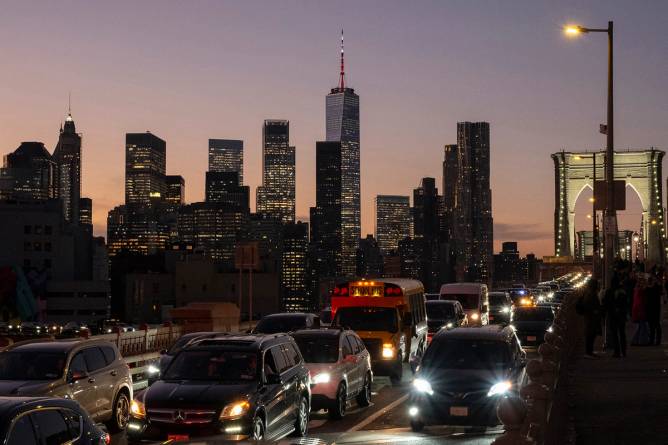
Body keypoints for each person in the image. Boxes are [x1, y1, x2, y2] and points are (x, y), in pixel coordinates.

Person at [603, 274, 627, 358]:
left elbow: (606, 303)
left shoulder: (609, 292)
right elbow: (625, 304)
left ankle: (617, 351)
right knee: (622, 333)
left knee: (615, 334)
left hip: (613, 316)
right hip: (621, 316)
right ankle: (623, 351)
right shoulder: (623, 292)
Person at [578, 278, 602, 358]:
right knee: (590, 335)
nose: (599, 286)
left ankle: (590, 352)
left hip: (591, 318)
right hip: (591, 318)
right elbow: (589, 305)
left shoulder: (590, 293)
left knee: (592, 334)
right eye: (597, 284)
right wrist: (595, 311)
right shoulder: (590, 294)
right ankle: (588, 352)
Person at [631, 275, 649, 346]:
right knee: (642, 326)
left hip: (638, 310)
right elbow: (640, 302)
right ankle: (641, 341)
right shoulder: (640, 291)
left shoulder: (637, 290)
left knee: (641, 326)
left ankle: (636, 340)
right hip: (640, 310)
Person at [646, 273, 663, 346]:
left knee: (655, 325)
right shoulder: (651, 288)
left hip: (654, 308)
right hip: (653, 308)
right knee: (652, 325)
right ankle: (653, 340)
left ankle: (655, 340)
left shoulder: (655, 288)